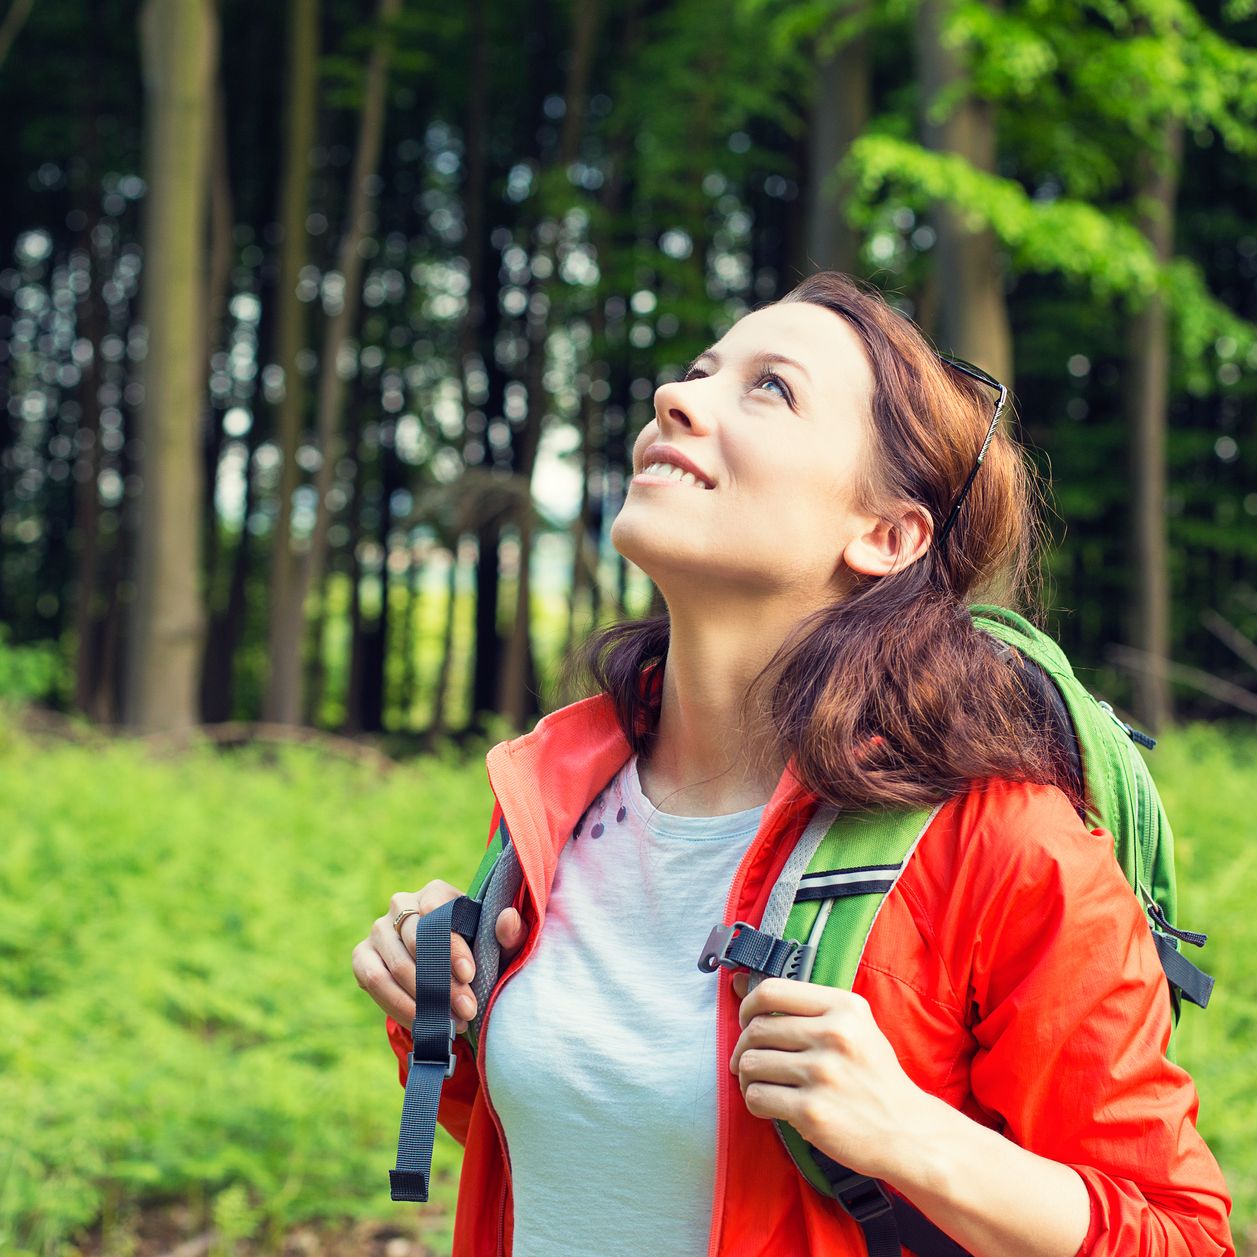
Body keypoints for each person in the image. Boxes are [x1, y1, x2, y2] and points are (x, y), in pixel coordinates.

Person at [351, 270, 1235, 1257]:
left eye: (769, 387)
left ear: (887, 534)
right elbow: (589, 1157)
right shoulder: (556, 790)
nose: (674, 398)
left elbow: (1177, 1235)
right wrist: (440, 1004)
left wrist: (911, 1136)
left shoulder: (1004, 840)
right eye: (697, 371)